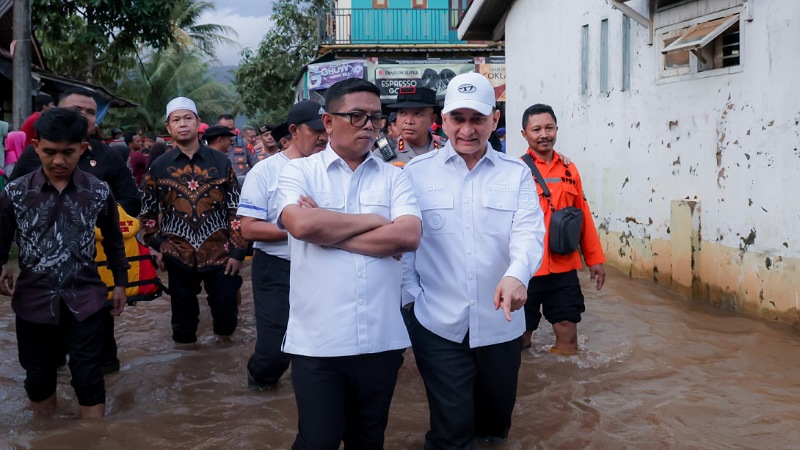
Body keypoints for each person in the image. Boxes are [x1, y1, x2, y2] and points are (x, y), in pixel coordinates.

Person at [274, 78, 421, 449]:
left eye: (375, 117)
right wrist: (376, 221)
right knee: (317, 441)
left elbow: (408, 236)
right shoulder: (298, 172)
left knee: (368, 440)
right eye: (356, 116)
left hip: (381, 339)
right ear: (327, 122)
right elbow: (302, 224)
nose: (369, 125)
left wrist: (329, 228)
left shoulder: (395, 177)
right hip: (319, 342)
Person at [401, 72, 546, 448]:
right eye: (458, 119)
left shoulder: (516, 175)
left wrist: (517, 276)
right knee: (451, 430)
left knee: (495, 426)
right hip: (437, 322)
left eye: (477, 119)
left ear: (494, 120)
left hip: (501, 323)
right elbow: (404, 246)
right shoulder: (415, 175)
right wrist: (410, 301)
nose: (467, 129)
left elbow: (528, 233)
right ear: (444, 120)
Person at [0, 107, 128, 419]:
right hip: (33, 299)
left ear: (83, 148)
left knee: (89, 377)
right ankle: (47, 436)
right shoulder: (16, 192)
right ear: (36, 147)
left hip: (85, 298)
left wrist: (121, 283)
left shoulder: (98, 191)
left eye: (68, 152)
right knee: (39, 378)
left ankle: (92, 438)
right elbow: (2, 235)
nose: (59, 161)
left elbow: (113, 238)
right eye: (50, 152)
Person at [10, 88, 141, 375]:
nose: (83, 117)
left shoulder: (107, 157)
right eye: (75, 110)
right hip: (40, 281)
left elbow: (131, 200)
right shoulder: (34, 158)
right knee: (46, 366)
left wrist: (91, 218)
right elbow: (10, 208)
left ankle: (99, 402)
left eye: (90, 112)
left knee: (98, 361)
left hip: (94, 275)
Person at [140, 97, 247, 344]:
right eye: (176, 120)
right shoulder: (159, 166)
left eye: (188, 118)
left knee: (227, 322)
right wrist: (160, 246)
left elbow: (235, 210)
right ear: (168, 128)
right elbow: (146, 214)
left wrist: (238, 252)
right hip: (177, 256)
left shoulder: (220, 162)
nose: (183, 124)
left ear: (198, 123)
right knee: (183, 327)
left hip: (220, 254)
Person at [238, 100, 328, 391]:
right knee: (275, 349)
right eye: (315, 130)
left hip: (323, 264)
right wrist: (302, 229)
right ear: (294, 130)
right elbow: (249, 227)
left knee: (322, 341)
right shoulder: (264, 172)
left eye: (326, 128)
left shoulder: (331, 168)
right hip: (277, 268)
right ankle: (260, 386)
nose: (323, 136)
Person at [519, 104, 606, 353]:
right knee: (520, 338)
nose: (544, 134)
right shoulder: (515, 171)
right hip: (527, 269)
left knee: (568, 335)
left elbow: (583, 215)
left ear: (557, 129)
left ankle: (567, 388)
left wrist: (595, 259)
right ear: (524, 134)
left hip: (564, 266)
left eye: (549, 127)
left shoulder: (570, 169)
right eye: (536, 129)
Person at [373, 86, 441, 167]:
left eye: (417, 114)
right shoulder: (381, 155)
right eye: (402, 113)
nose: (409, 121)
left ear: (432, 119)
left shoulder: (446, 151)